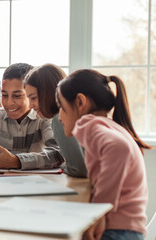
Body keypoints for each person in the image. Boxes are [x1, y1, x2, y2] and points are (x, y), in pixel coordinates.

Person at [56, 69, 151, 240]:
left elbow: (119, 148)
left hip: (117, 231)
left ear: (80, 102)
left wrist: (98, 213)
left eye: (62, 107)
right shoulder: (106, 125)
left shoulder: (92, 125)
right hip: (128, 229)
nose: (59, 116)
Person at [0, 63, 64, 170]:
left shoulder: (44, 116)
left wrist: (17, 161)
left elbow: (58, 154)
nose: (9, 102)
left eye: (17, 96)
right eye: (5, 95)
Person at [24, 63, 87, 177]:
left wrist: (63, 165)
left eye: (33, 98)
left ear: (49, 93)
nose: (30, 106)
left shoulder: (60, 119)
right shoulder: (77, 114)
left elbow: (78, 169)